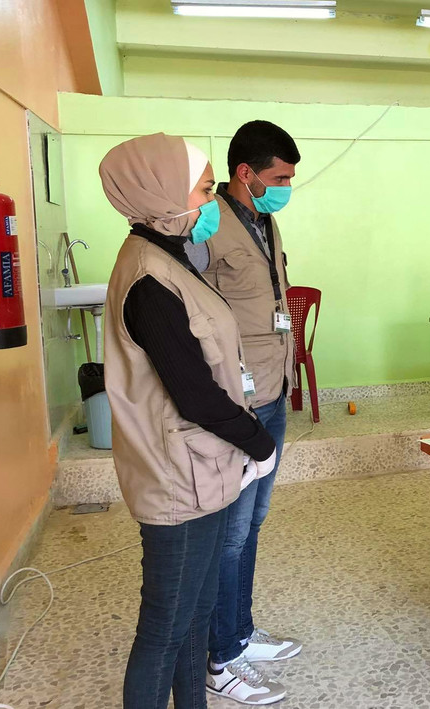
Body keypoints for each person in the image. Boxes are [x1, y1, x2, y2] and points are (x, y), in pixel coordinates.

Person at [100, 133, 281, 708]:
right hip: (176, 478)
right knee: (165, 628)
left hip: (204, 467)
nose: (211, 202)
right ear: (160, 195)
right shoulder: (148, 282)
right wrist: (257, 442)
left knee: (195, 618)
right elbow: (195, 395)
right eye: (204, 190)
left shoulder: (170, 258)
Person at [183, 121, 303, 703]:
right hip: (236, 398)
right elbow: (191, 306)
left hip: (273, 391)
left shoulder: (266, 220)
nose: (286, 187)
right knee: (229, 534)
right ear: (246, 174)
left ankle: (239, 631)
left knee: (252, 524)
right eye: (279, 177)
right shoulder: (209, 225)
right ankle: (218, 657)